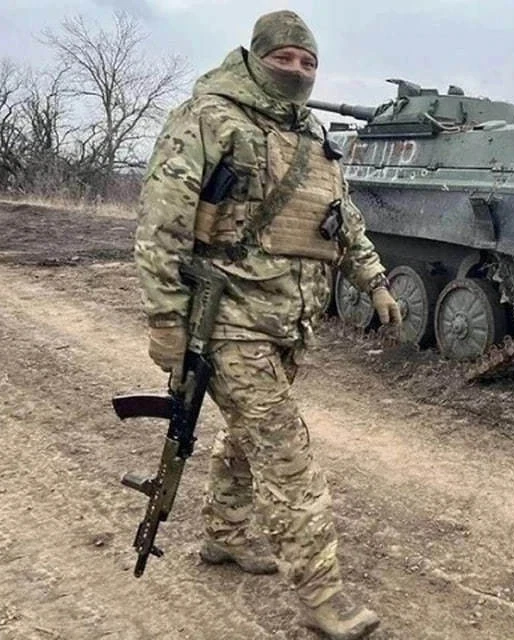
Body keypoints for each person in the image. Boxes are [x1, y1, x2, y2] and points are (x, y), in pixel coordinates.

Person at [134, 10, 399, 640]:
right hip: (227, 320)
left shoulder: (312, 136)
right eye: (284, 58)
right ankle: (321, 596)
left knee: (244, 439)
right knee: (287, 458)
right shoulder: (209, 118)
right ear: (256, 59)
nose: (297, 70)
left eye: (309, 62)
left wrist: (375, 280)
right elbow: (162, 223)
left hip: (288, 322)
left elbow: (342, 219)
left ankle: (224, 536)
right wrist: (165, 320)